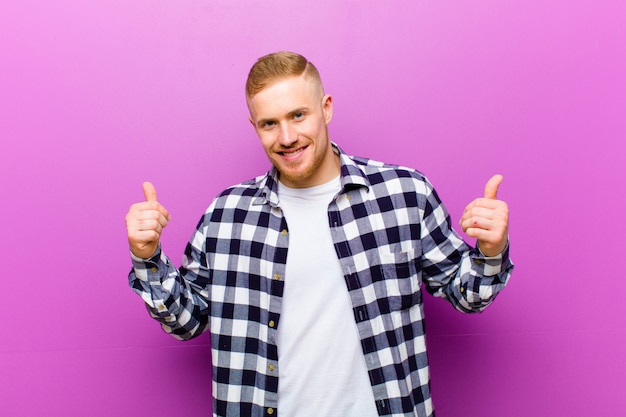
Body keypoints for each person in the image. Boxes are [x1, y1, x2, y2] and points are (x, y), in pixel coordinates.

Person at [125, 51, 513, 417]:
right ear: (254, 125)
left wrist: (491, 250)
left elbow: (467, 296)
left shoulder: (403, 194)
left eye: (298, 115)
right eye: (269, 123)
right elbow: (186, 321)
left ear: (326, 108)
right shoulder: (227, 214)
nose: (287, 137)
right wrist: (148, 257)